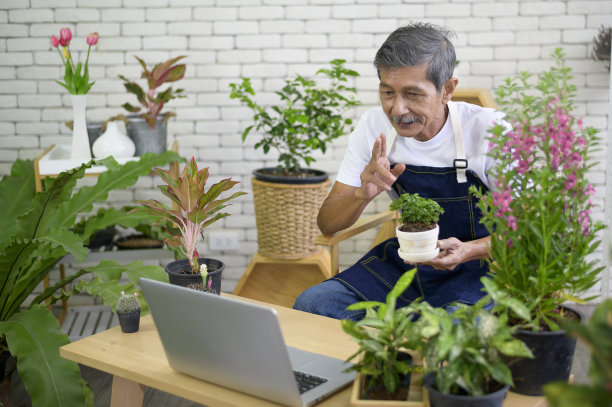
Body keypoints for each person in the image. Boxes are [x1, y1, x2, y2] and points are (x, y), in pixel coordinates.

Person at [293, 22, 509, 321]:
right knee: (314, 305)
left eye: (413, 94)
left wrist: (468, 251)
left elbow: (527, 230)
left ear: (447, 89)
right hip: (408, 261)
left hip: (480, 266)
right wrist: (361, 194)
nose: (397, 109)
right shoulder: (373, 127)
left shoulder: (489, 130)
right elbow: (328, 225)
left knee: (442, 333)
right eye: (387, 92)